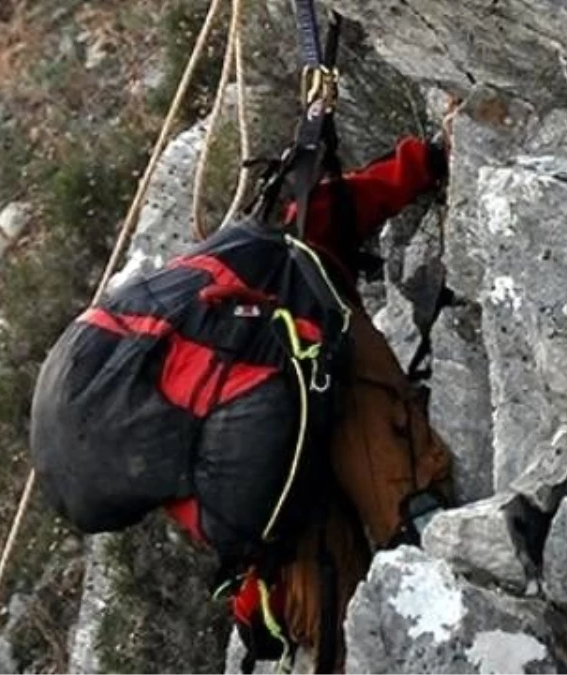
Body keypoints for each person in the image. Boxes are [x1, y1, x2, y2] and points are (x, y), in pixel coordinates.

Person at [164, 112, 460, 672]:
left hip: (281, 549)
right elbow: (356, 201)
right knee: (414, 522)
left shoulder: (204, 326)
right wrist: (431, 158)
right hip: (334, 472)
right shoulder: (296, 248)